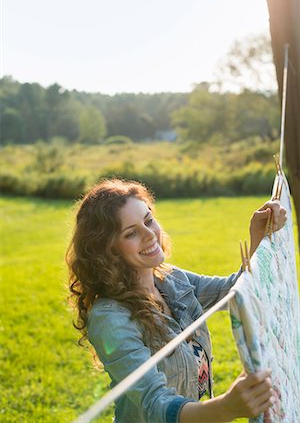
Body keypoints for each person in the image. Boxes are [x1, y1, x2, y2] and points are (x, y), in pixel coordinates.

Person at [66, 178, 287, 423]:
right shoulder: (110, 319)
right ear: (109, 251)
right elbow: (156, 404)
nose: (150, 235)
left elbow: (234, 292)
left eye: (148, 220)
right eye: (131, 233)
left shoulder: (171, 279)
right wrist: (226, 407)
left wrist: (257, 233)